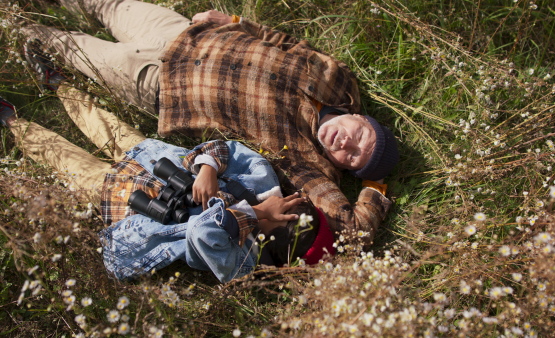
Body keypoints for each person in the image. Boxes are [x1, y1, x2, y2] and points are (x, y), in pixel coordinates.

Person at [21, 0, 399, 244]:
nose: (343, 145)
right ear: (359, 115)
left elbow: (353, 230)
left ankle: (19, 29)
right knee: (108, 4)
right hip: (184, 31)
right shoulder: (340, 78)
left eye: (351, 159)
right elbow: (288, 44)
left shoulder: (310, 168)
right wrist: (236, 22)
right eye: (358, 137)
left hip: (162, 85)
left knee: (69, 46)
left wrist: (374, 187)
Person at [0, 90, 335, 283]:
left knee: (67, 162)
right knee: (103, 122)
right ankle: (59, 86)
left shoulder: (243, 263)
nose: (285, 205)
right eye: (298, 207)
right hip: (150, 161)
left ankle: (12, 122)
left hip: (123, 203)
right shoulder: (265, 184)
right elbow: (232, 149)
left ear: (273, 245)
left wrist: (256, 213)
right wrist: (208, 168)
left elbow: (202, 234)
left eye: (288, 218)